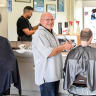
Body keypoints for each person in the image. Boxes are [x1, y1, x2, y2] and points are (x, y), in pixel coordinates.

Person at [32, 12, 73, 96]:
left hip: (54, 74)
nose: (50, 22)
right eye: (47, 20)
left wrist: (64, 46)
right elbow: (49, 53)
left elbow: (55, 49)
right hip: (47, 75)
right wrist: (63, 47)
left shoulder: (51, 32)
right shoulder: (39, 34)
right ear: (41, 21)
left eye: (52, 19)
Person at [64, 28, 96, 96]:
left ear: (80, 37)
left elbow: (66, 71)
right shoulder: (94, 52)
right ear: (91, 38)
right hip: (92, 88)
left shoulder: (71, 53)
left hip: (74, 88)